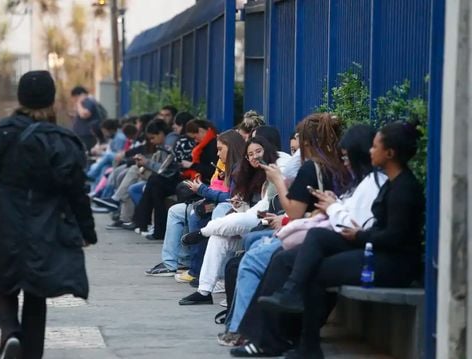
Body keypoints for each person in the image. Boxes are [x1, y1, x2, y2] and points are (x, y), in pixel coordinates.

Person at [0, 71, 97, 359]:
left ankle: (10, 334)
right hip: (46, 227)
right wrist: (86, 231)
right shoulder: (62, 140)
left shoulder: (2, 133)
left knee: (4, 285)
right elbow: (77, 192)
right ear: (51, 99)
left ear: (21, 99)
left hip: (3, 222)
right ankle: (31, 354)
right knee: (36, 292)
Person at [255, 121, 425, 359]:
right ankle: (293, 299)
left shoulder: (404, 188)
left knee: (317, 270)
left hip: (392, 264)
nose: (371, 151)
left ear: (390, 153)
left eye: (375, 147)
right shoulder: (391, 182)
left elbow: (395, 237)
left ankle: (308, 344)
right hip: (375, 250)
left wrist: (358, 234)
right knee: (317, 236)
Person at [221, 124, 386, 349]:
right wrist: (332, 206)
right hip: (328, 236)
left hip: (345, 243)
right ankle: (280, 335)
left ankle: (250, 332)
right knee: (269, 254)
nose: (296, 148)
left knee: (258, 260)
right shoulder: (356, 177)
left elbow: (301, 213)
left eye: (299, 142)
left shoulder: (361, 179)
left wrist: (280, 182)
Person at [178, 136, 278, 305]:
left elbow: (261, 209)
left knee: (228, 220)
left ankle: (203, 232)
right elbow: (244, 205)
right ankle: (204, 290)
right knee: (218, 238)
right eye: (250, 154)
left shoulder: (274, 171)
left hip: (265, 225)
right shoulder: (248, 173)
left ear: (267, 150)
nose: (255, 157)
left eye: (258, 152)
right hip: (249, 224)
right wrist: (239, 203)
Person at [144, 130, 245, 276]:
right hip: (213, 198)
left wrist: (203, 190)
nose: (218, 154)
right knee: (176, 211)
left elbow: (231, 197)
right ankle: (172, 263)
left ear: (232, 148)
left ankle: (199, 269)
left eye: (220, 149)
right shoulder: (224, 163)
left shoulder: (241, 167)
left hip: (224, 203)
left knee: (195, 213)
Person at [70, 86, 105, 150]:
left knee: (86, 153)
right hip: (83, 135)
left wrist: (78, 102)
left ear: (78, 95)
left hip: (87, 135)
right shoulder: (85, 102)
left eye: (74, 97)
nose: (73, 100)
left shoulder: (88, 101)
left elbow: (84, 115)